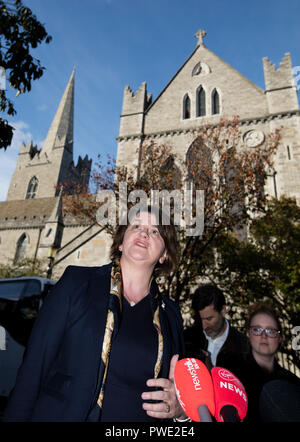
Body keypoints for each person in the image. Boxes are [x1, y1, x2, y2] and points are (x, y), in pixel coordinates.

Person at [3, 205, 186, 422]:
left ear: (164, 254)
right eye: (135, 226)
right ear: (120, 242)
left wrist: (181, 412)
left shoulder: (170, 315)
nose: (144, 233)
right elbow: (34, 367)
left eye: (155, 231)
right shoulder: (76, 283)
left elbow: (178, 395)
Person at [223, 302, 300, 422]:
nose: (264, 336)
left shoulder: (290, 381)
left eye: (270, 331)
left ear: (280, 338)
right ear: (249, 334)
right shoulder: (231, 373)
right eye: (257, 329)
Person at [184, 285, 248, 368]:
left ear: (223, 310)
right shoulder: (186, 339)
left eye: (209, 319)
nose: (204, 326)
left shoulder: (243, 348)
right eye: (200, 319)